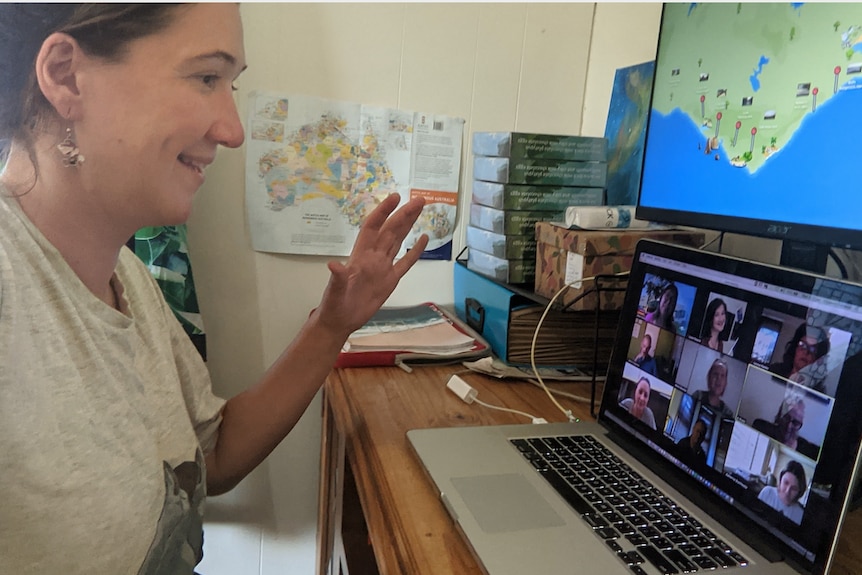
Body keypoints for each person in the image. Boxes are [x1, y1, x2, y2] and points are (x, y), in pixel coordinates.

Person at [0, 5, 428, 574]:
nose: (232, 129)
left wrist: (332, 326)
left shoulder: (128, 279)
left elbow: (212, 457)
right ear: (65, 75)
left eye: (231, 84)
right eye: (206, 77)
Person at [753, 394, 820, 460]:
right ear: (779, 416)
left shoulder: (812, 452)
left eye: (795, 422)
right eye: (786, 418)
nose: (789, 426)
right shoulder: (760, 428)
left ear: (800, 424)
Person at [770, 323, 830, 393]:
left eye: (812, 349)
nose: (806, 352)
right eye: (802, 345)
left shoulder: (818, 392)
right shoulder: (774, 371)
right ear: (795, 348)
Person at [757, 460, 807, 525]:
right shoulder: (768, 492)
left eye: (794, 488)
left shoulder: (800, 514)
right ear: (780, 480)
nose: (787, 491)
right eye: (786, 483)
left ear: (799, 491)